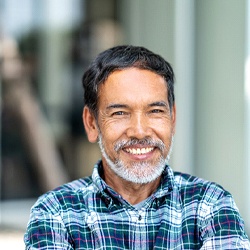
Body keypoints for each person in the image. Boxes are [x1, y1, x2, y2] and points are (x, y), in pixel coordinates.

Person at [24, 45, 250, 249]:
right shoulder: (57, 213)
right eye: (120, 113)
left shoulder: (210, 205)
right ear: (91, 123)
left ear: (172, 119)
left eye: (155, 111)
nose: (140, 131)